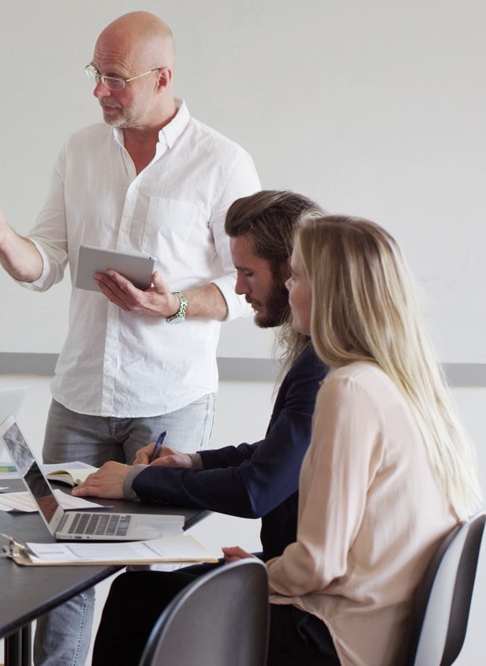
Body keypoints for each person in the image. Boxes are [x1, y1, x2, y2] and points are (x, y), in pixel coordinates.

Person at [0, 10, 260, 664]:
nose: (100, 90)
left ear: (162, 76)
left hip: (170, 403)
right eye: (96, 74)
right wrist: (4, 241)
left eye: (115, 78)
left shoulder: (222, 163)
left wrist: (171, 306)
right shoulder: (80, 150)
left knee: (154, 569)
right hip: (80, 398)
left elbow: (247, 286)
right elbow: (46, 262)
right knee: (59, 565)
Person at [106, 215, 484, 665]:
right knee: (162, 590)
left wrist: (255, 573)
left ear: (331, 293)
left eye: (298, 276)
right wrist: (254, 566)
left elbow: (319, 563)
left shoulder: (349, 389)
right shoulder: (400, 382)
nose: (289, 288)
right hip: (381, 623)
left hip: (336, 635)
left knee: (137, 597)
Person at [79, 190, 326, 665]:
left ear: (293, 270)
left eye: (248, 273)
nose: (237, 289)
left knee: (138, 599)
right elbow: (280, 452)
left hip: (310, 610)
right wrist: (194, 460)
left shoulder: (321, 369)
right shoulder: (323, 359)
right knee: (141, 592)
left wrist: (138, 480)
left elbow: (259, 490)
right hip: (296, 578)